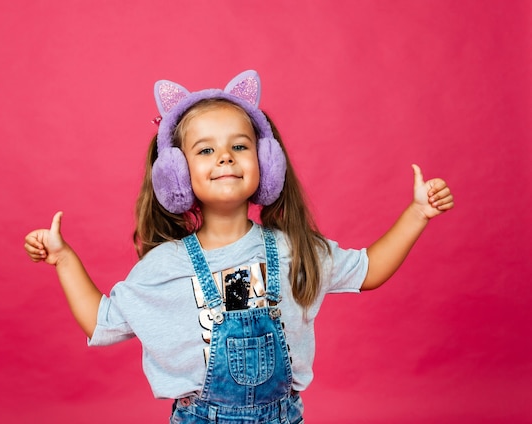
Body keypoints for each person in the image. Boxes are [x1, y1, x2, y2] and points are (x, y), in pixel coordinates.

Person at [24, 70, 454, 423]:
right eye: (206, 149)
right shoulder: (166, 265)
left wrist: (417, 214)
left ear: (266, 164)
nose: (226, 157)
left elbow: (369, 270)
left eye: (240, 146)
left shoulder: (292, 250)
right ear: (175, 174)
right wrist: (63, 259)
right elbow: (101, 321)